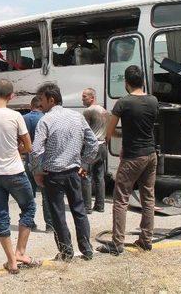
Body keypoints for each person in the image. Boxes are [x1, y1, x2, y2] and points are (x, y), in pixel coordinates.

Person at [31, 82, 98, 261]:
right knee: (79, 210)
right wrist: (85, 163)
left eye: (42, 100)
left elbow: (36, 150)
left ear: (51, 100)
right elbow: (92, 143)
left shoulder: (45, 120)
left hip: (53, 175)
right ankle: (87, 249)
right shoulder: (77, 117)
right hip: (75, 172)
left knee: (58, 214)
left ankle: (66, 252)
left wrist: (37, 171)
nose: (40, 104)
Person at [0, 79, 40, 274]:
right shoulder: (16, 116)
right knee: (29, 207)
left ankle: (11, 261)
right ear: (11, 96)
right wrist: (18, 149)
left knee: (1, 215)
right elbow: (29, 147)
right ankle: (20, 252)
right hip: (14, 171)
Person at [99, 65, 158, 255]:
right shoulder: (153, 100)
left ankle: (117, 243)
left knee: (121, 199)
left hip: (133, 156)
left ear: (126, 82)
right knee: (148, 198)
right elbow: (145, 126)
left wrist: (117, 136)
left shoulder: (123, 103)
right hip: (150, 154)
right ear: (142, 80)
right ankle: (146, 240)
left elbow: (109, 132)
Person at [22, 96, 54, 232]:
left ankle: (29, 222)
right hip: (44, 161)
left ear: (31, 106)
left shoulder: (23, 118)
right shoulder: (46, 118)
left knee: (29, 194)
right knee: (46, 194)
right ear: (41, 106)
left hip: (29, 160)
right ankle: (50, 225)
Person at [81, 88, 108, 214]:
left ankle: (87, 207)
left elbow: (83, 131)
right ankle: (100, 205)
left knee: (85, 175)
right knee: (99, 177)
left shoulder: (88, 111)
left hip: (92, 146)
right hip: (103, 146)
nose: (82, 99)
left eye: (85, 97)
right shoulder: (103, 110)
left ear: (92, 97)